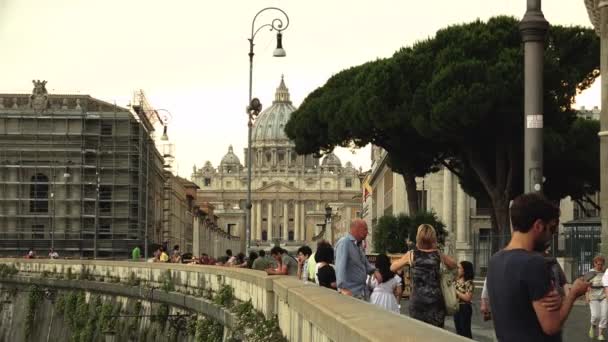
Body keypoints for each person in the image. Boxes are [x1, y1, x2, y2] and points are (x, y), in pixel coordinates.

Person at [487, 193, 590, 341]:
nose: (551, 236)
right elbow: (551, 325)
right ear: (539, 226)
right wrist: (573, 294)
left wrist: (559, 300)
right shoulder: (534, 263)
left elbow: (521, 307)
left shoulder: (495, 261)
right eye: (552, 229)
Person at [391, 224, 457, 328]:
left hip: (417, 302)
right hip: (436, 303)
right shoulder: (438, 254)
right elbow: (454, 265)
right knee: (435, 335)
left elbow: (393, 267)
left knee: (418, 334)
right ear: (433, 238)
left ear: (418, 238)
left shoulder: (412, 254)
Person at [335, 219, 378, 299]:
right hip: (351, 293)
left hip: (361, 292)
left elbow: (365, 264)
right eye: (365, 229)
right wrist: (342, 288)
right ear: (357, 229)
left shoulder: (358, 245)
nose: (367, 233)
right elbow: (340, 266)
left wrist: (374, 271)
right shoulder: (345, 243)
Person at [589, 255, 608, 340]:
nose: (600, 266)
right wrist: (586, 295)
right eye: (598, 264)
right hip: (593, 296)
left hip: (604, 296)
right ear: (594, 264)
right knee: (595, 316)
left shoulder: (605, 272)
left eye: (601, 264)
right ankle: (593, 325)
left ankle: (600, 334)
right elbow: (586, 286)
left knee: (604, 315)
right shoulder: (590, 273)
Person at [454, 261, 475, 338]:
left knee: (465, 331)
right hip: (456, 307)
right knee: (458, 331)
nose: (457, 270)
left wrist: (456, 292)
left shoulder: (469, 282)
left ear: (465, 270)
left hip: (464, 308)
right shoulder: (456, 281)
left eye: (459, 268)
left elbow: (468, 298)